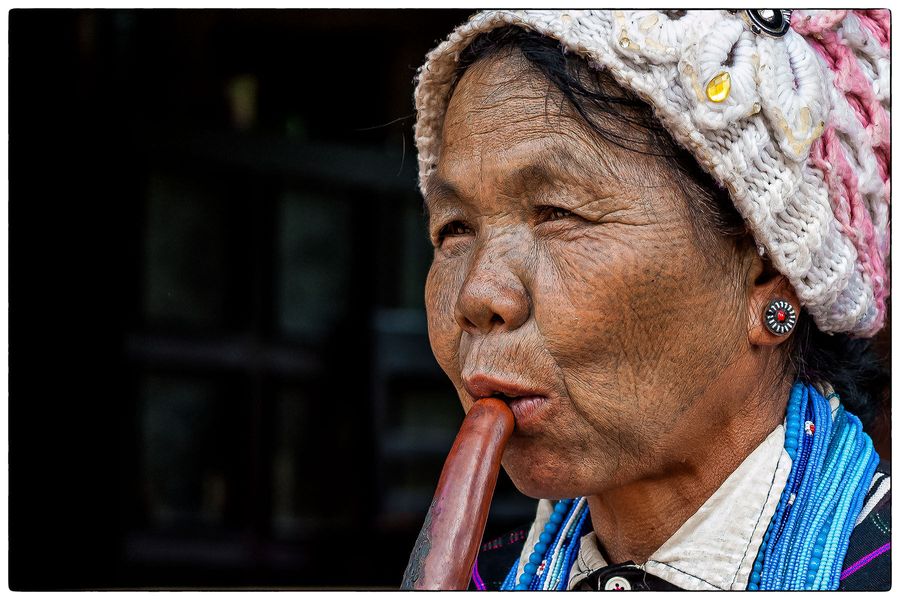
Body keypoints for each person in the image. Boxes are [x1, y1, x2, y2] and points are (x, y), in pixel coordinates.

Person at [411, 9, 890, 591]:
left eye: (558, 214)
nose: (478, 294)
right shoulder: (483, 579)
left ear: (767, 276)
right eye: (455, 228)